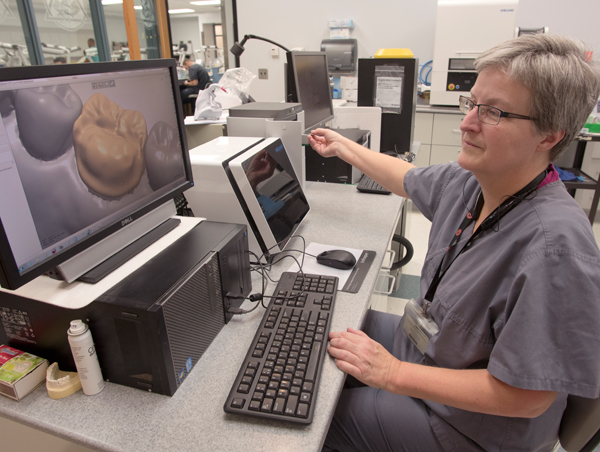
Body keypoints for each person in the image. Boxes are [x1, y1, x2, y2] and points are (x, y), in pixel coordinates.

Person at [308, 34, 600, 452]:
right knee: (329, 323)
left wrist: (391, 374)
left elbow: (529, 398)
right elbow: (404, 178)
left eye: (494, 112)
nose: (467, 123)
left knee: (321, 414)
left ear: (550, 136)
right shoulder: (473, 183)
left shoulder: (556, 248)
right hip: (434, 348)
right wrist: (344, 147)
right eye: (472, 103)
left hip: (473, 427)